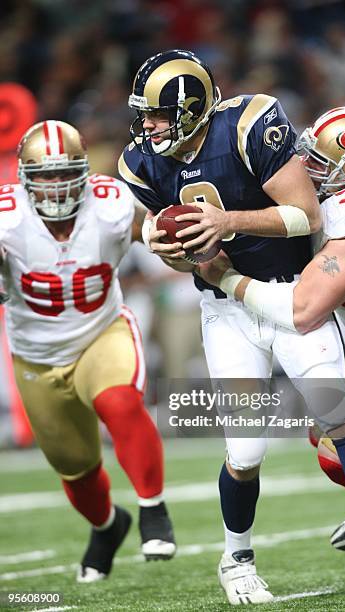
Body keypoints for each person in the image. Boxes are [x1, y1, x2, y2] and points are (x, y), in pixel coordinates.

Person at [119, 51, 345, 602]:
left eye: (157, 114)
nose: (146, 126)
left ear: (191, 110)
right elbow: (186, 256)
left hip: (294, 291)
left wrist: (225, 223)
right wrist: (167, 246)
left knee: (338, 418)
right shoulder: (141, 163)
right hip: (227, 313)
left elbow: (306, 215)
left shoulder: (251, 124)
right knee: (246, 451)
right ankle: (237, 558)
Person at [197, 106, 345, 589]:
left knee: (338, 448)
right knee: (322, 427)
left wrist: (225, 277)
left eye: (318, 160)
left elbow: (303, 310)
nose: (304, 166)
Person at [0, 119, 176, 583]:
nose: (56, 185)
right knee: (75, 469)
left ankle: (153, 510)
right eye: (45, 175)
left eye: (65, 173)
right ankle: (107, 527)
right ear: (25, 178)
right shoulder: (7, 217)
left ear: (82, 170)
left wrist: (169, 238)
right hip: (36, 353)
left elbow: (153, 234)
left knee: (118, 400)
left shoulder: (111, 203)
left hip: (102, 332)